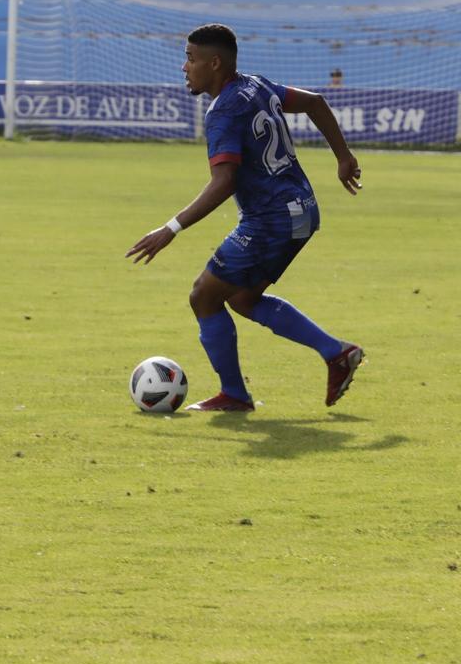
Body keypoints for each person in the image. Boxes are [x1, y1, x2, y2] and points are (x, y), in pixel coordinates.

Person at [126, 23, 365, 411]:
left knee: (204, 295)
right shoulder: (257, 84)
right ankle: (335, 353)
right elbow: (316, 102)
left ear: (214, 63)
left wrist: (170, 229)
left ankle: (235, 395)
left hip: (271, 219)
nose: (184, 67)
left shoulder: (223, 112)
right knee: (241, 297)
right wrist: (343, 156)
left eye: (190, 59)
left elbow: (223, 182)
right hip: (302, 209)